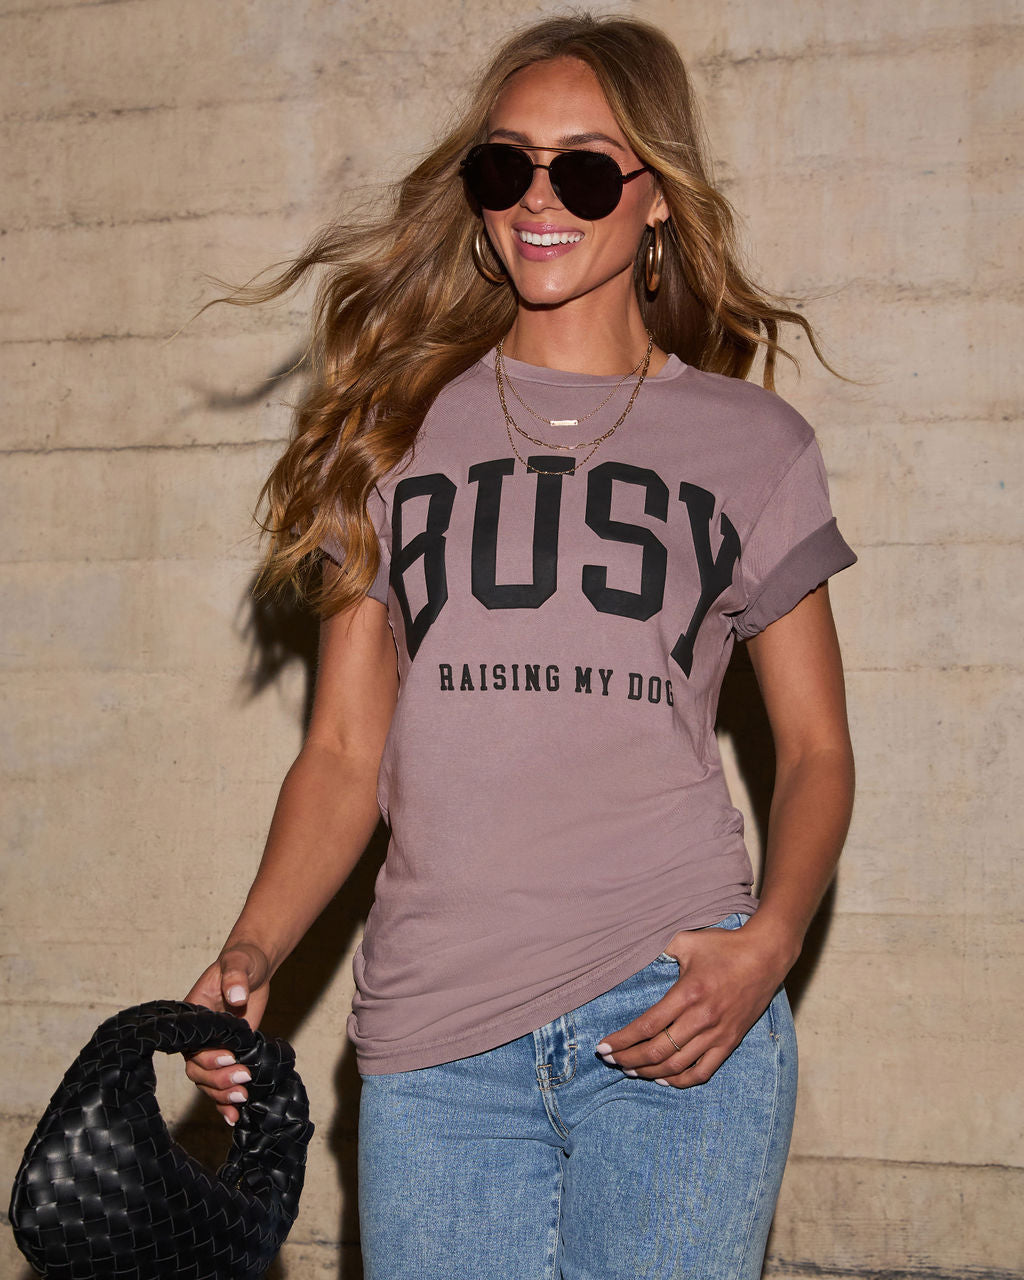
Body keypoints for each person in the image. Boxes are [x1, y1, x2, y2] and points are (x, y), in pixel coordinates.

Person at [185, 13, 856, 1278]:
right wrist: (254, 945)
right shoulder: (389, 431)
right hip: (437, 1036)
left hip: (671, 1008)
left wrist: (768, 945)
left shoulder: (753, 444)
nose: (538, 200)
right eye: (506, 167)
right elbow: (344, 752)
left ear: (656, 198)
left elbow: (816, 748)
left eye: (585, 170)